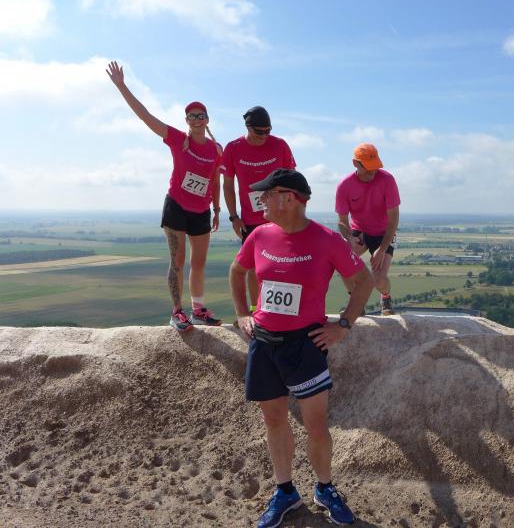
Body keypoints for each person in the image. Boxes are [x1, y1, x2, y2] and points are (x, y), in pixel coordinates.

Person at [229, 169, 372, 527]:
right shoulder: (259, 234)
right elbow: (237, 271)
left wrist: (343, 325)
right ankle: (285, 492)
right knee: (274, 419)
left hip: (305, 345)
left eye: (267, 194)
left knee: (316, 425)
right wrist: (243, 313)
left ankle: (325, 488)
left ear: (289, 198)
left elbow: (364, 280)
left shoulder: (326, 239)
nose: (260, 200)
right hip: (264, 343)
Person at [106, 60, 223, 332]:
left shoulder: (216, 149)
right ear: (186, 121)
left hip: (202, 210)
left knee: (199, 263)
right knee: (178, 262)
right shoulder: (177, 138)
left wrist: (217, 210)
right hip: (176, 207)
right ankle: (177, 312)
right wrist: (122, 86)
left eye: (201, 115)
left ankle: (198, 310)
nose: (196, 119)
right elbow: (145, 116)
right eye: (191, 116)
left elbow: (215, 180)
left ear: (207, 120)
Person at [222, 106, 296, 313]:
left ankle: (282, 311)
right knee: (254, 267)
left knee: (283, 264)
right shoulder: (233, 148)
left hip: (280, 216)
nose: (264, 136)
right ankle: (257, 310)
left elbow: (293, 179)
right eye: (259, 132)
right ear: (248, 127)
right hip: (250, 219)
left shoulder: (280, 145)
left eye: (268, 131)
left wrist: (291, 211)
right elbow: (227, 186)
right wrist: (233, 216)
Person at [335, 143, 400, 316]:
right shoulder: (345, 186)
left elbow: (394, 219)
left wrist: (382, 249)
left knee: (379, 280)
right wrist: (350, 238)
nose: (373, 171)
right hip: (360, 232)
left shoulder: (387, 180)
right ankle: (357, 303)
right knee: (342, 262)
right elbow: (342, 222)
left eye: (375, 166)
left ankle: (386, 297)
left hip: (384, 233)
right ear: (355, 163)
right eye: (368, 167)